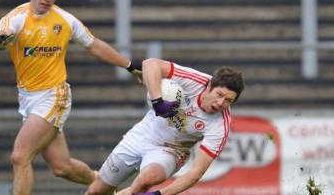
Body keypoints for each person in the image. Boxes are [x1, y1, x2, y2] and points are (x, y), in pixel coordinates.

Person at [0, 0, 141, 195]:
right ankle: (105, 184)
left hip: (54, 94)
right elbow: (5, 33)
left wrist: (129, 65)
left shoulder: (65, 20)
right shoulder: (17, 17)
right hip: (27, 97)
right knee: (62, 168)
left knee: (20, 157)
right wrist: (3, 39)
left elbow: (95, 45)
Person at [86, 58, 244, 195]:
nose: (221, 103)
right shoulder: (195, 81)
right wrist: (157, 101)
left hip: (172, 150)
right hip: (143, 134)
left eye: (228, 100)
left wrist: (159, 194)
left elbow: (196, 172)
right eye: (220, 95)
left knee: (144, 181)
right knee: (96, 191)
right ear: (209, 87)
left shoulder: (220, 125)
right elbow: (150, 64)